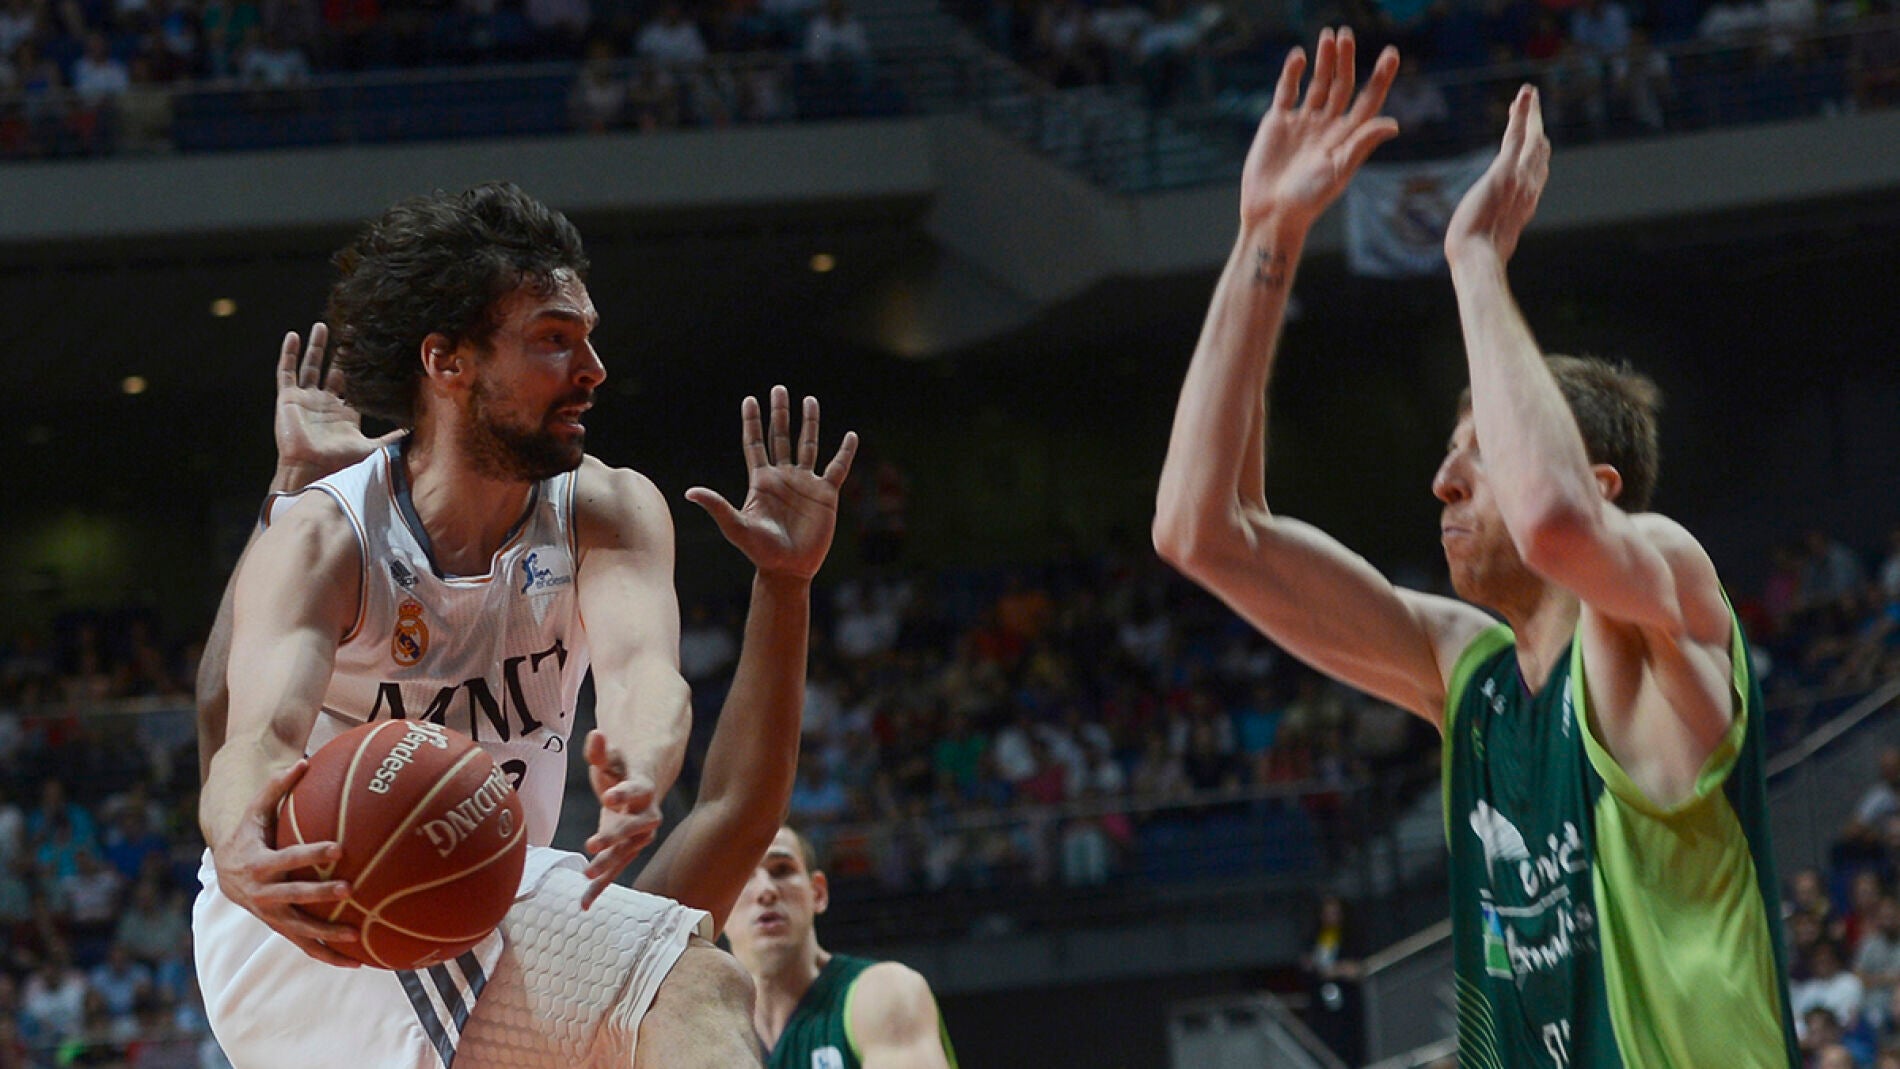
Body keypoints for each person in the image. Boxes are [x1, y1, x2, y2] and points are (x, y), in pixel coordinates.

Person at [1153, 29, 1797, 1066]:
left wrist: (1475, 260)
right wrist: (1264, 237)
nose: (1442, 482)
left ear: (1604, 487)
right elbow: (1199, 529)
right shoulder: (1471, 679)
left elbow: (1552, 523)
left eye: (1477, 455)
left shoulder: (1662, 596)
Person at [193, 182, 856, 1069]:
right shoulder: (324, 533)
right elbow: (255, 732)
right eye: (553, 339)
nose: (593, 369)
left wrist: (639, 769)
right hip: (319, 905)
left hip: (475, 893)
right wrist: (236, 837)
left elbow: (644, 677)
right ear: (448, 362)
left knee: (667, 969)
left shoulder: (609, 509)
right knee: (692, 981)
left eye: (589, 339)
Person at [724, 826, 957, 1068]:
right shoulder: (704, 1030)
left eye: (782, 870)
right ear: (718, 905)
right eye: (742, 875)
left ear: (818, 893)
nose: (766, 891)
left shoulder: (888, 992)